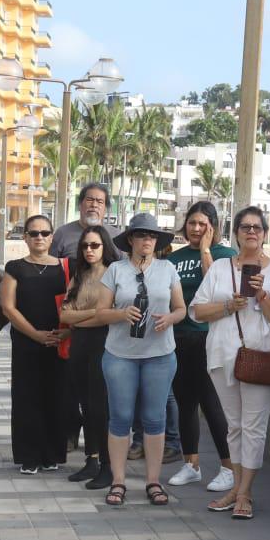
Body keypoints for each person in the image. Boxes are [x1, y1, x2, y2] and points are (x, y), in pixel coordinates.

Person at [188, 206, 270, 521]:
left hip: (260, 358)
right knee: (234, 426)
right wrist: (226, 305)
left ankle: (245, 493)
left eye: (257, 228)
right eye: (245, 227)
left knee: (253, 427)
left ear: (264, 234)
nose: (251, 232)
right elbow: (197, 311)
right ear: (235, 233)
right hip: (222, 356)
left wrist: (263, 297)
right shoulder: (221, 267)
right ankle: (236, 487)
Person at [87, 212, 186, 507]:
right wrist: (121, 313)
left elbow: (181, 308)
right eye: (142, 235)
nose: (147, 240)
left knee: (155, 418)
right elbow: (100, 313)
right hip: (120, 356)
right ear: (130, 239)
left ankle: (152, 481)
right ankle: (118, 481)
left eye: (152, 236)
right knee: (120, 418)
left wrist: (169, 318)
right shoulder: (115, 270)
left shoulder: (168, 269)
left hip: (159, 355)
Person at [165, 201, 237, 494]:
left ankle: (228, 468)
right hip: (179, 338)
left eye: (202, 224)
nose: (195, 229)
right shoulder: (174, 258)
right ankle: (191, 464)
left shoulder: (225, 255)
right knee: (185, 404)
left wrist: (206, 249)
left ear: (214, 226)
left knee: (212, 404)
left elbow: (215, 288)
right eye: (191, 223)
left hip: (210, 338)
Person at [1, 214, 69, 474]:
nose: (39, 237)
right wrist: (36, 335)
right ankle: (29, 456)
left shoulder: (66, 267)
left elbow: (77, 302)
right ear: (25, 238)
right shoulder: (15, 267)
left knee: (56, 397)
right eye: (33, 233)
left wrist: (65, 333)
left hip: (59, 342)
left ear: (52, 237)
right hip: (26, 343)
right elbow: (8, 307)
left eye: (44, 233)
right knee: (27, 399)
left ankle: (52, 455)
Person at [58, 224, 117, 490]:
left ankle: (108, 465)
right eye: (85, 246)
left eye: (95, 245)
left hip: (104, 344)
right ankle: (91, 459)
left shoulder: (113, 273)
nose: (89, 250)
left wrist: (83, 317)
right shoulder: (79, 275)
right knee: (85, 406)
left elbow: (109, 316)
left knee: (100, 408)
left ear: (105, 246)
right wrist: (93, 314)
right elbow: (64, 316)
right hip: (79, 345)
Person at [50, 182, 124, 260]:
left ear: (105, 209)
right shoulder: (62, 234)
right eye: (89, 200)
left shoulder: (117, 236)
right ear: (80, 205)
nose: (94, 205)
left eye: (100, 202)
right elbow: (50, 264)